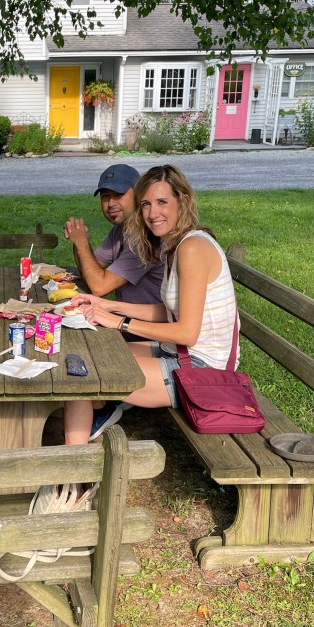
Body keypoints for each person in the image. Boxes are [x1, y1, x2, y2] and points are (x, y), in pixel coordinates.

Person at [63, 165, 238, 443]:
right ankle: (96, 412)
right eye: (146, 204)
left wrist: (120, 323)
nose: (153, 213)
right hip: (180, 353)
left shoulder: (192, 248)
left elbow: (186, 333)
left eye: (162, 202)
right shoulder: (173, 245)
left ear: (183, 200)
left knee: (83, 375)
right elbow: (167, 312)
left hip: (203, 371)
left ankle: (75, 466)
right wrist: (107, 305)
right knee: (86, 356)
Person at [63, 163, 164, 307]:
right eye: (105, 196)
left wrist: (81, 242)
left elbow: (98, 287)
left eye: (118, 194)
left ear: (138, 195)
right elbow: (90, 272)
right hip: (125, 315)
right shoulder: (120, 230)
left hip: (150, 321)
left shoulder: (146, 239)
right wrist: (77, 237)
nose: (110, 203)